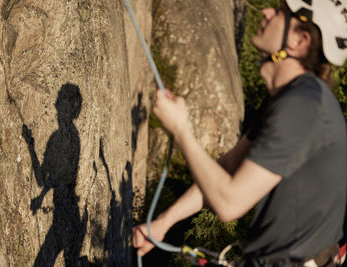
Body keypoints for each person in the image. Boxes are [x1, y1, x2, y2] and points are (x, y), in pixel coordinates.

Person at [133, 0, 347, 266]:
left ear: (299, 40)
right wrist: (163, 223)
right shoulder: (290, 100)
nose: (266, 12)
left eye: (281, 12)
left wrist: (181, 130)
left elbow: (229, 204)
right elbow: (227, 169)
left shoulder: (303, 106)